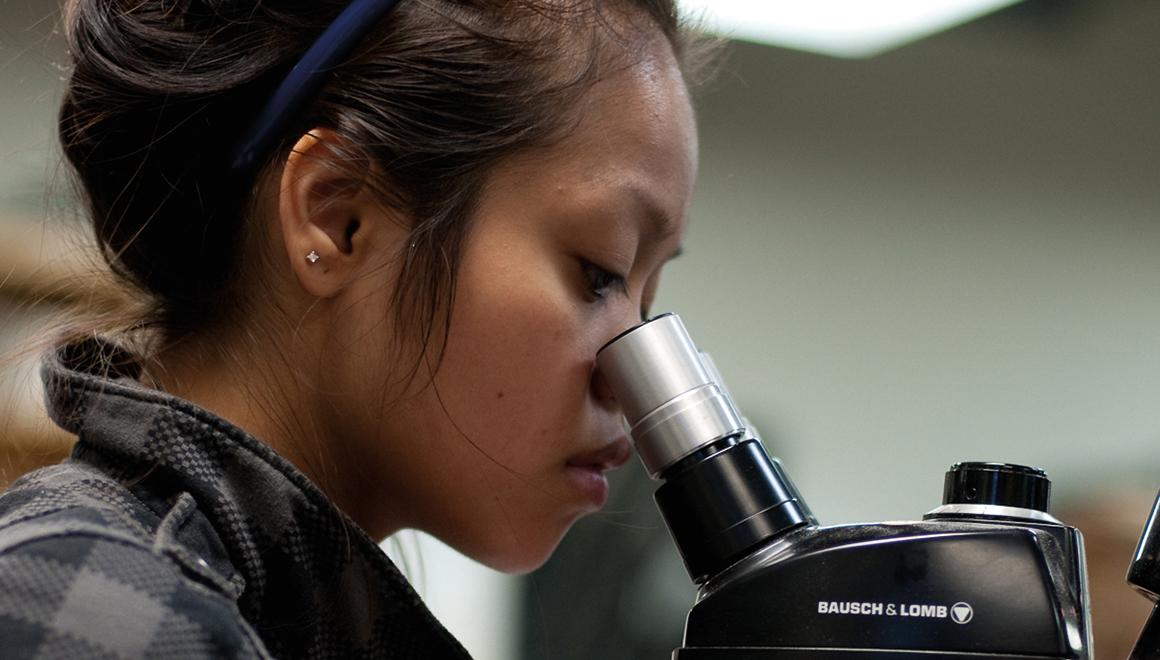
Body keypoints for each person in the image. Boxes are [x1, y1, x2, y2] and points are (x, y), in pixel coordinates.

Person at [0, 0, 705, 657]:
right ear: (339, 220)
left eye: (648, 297)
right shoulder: (94, 613)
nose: (634, 381)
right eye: (600, 272)